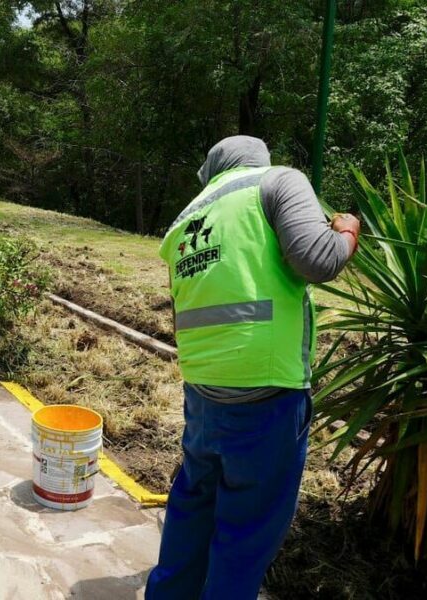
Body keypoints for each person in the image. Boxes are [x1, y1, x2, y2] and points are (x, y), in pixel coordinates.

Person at [146, 136, 360, 600]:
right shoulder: (278, 181)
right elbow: (318, 259)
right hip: (267, 392)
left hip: (203, 391)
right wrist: (346, 230)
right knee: (246, 530)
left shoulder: (185, 220)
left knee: (193, 505)